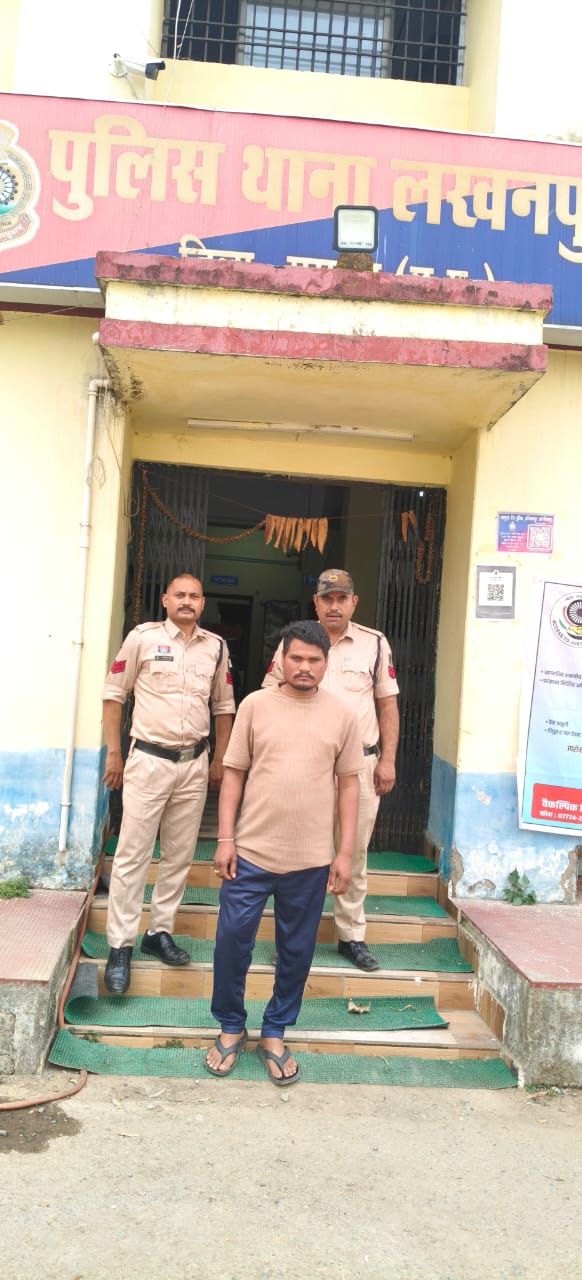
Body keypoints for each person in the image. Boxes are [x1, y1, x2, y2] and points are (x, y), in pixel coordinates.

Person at [204, 619, 362, 1086]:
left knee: (296, 951)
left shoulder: (342, 715)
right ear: (281, 659)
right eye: (296, 658)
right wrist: (225, 838)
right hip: (250, 853)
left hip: (311, 860)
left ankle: (275, 1030)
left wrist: (345, 853)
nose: (304, 667)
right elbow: (234, 773)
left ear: (326, 663)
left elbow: (349, 786)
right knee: (232, 941)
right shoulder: (255, 705)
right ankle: (231, 1024)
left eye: (314, 660)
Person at [101, 573, 235, 994]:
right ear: (165, 600)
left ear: (203, 603)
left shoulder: (216, 647)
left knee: (178, 854)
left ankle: (159, 931)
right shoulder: (141, 639)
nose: (187, 601)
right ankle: (120, 944)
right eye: (179, 595)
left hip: (194, 763)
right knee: (132, 855)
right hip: (149, 760)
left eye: (194, 596)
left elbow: (224, 706)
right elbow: (113, 695)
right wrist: (114, 752)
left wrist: (220, 759)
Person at [263, 569, 399, 972]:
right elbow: (271, 697)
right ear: (316, 603)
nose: (334, 605)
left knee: (353, 852)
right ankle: (291, 939)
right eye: (327, 598)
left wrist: (388, 760)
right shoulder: (295, 642)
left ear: (354, 602)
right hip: (306, 766)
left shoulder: (374, 644)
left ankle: (351, 936)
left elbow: (387, 705)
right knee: (298, 854)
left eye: (342, 598)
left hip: (361, 764)